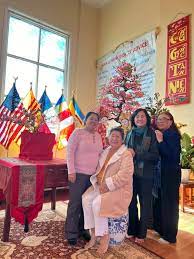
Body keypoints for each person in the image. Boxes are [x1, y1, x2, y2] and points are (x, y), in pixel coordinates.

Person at [82, 127, 134, 255]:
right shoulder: (106, 151)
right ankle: (93, 234)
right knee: (86, 199)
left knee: (97, 203)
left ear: (122, 140)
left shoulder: (126, 154)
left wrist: (108, 184)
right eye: (112, 136)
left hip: (118, 189)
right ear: (108, 138)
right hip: (101, 186)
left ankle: (104, 236)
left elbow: (124, 175)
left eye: (118, 136)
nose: (114, 138)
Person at [65, 111, 103, 245]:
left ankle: (82, 230)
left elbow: (100, 155)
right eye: (91, 119)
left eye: (96, 120)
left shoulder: (98, 136)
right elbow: (69, 152)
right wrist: (71, 171)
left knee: (86, 204)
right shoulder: (77, 133)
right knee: (75, 204)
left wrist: (99, 174)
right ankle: (71, 233)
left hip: (92, 176)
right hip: (78, 174)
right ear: (85, 120)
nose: (93, 122)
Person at [125, 108, 159, 243]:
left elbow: (155, 156)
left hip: (146, 175)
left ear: (147, 119)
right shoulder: (129, 133)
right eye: (137, 116)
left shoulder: (152, 133)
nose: (139, 119)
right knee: (131, 203)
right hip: (130, 174)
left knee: (145, 204)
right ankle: (132, 229)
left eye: (142, 116)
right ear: (134, 118)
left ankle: (142, 233)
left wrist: (137, 154)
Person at [153, 111, 181, 244]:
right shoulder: (163, 133)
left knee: (170, 206)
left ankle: (170, 236)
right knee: (160, 202)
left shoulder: (172, 135)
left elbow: (171, 155)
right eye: (158, 119)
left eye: (163, 119)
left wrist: (160, 141)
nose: (160, 121)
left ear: (170, 121)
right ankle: (161, 229)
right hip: (160, 176)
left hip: (170, 175)